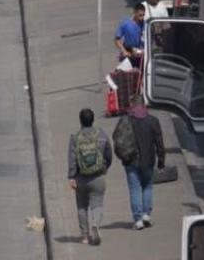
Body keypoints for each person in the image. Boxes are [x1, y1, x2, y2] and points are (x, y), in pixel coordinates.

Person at [113, 97, 164, 229]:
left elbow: (117, 138)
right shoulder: (153, 121)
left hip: (130, 161)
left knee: (135, 189)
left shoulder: (126, 120)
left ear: (132, 105)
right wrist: (161, 162)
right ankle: (146, 214)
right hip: (148, 161)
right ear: (144, 105)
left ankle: (138, 220)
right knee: (147, 186)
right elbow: (159, 144)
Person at [68, 108, 113, 245]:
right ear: (93, 120)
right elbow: (109, 154)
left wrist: (71, 177)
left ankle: (85, 236)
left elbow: (72, 158)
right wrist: (104, 167)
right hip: (98, 176)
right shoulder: (101, 134)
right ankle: (96, 224)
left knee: (81, 206)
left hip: (81, 178)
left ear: (80, 121)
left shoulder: (75, 138)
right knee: (97, 203)